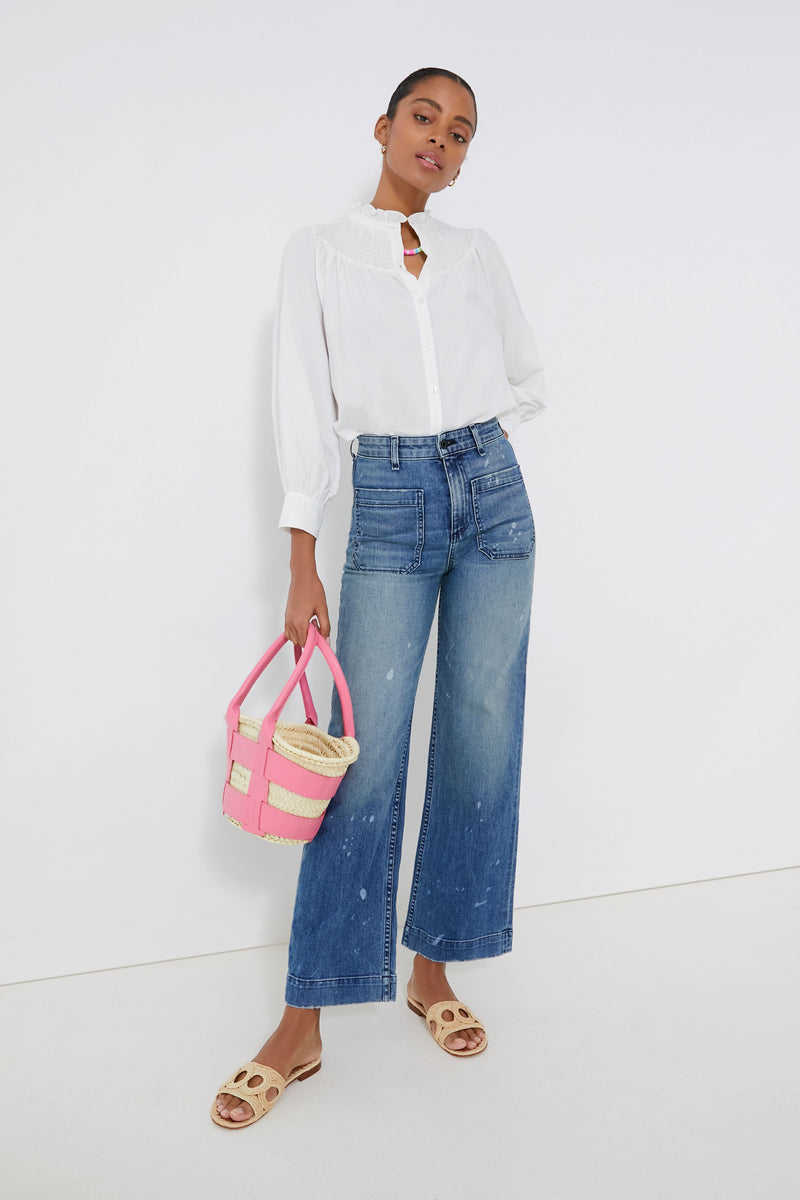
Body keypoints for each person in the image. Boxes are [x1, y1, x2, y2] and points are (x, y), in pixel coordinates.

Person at [212, 66, 548, 1129]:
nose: (438, 142)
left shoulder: (471, 253)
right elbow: (303, 409)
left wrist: (468, 425)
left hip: (491, 492)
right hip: (389, 496)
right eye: (422, 119)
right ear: (383, 125)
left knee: (482, 733)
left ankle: (432, 968)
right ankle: (303, 1015)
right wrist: (302, 555)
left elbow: (525, 374)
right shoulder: (318, 252)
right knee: (363, 760)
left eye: (459, 133)